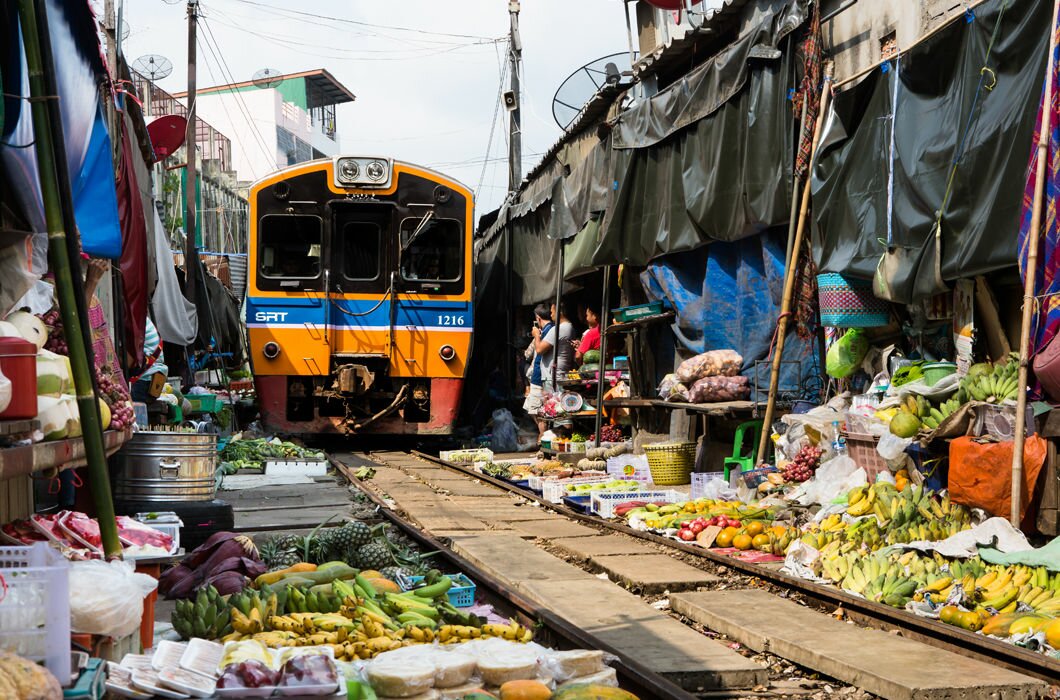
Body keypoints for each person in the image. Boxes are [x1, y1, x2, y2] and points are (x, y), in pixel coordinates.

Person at [523, 304, 552, 438]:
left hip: (540, 377)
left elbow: (539, 350)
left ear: (538, 318)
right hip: (540, 376)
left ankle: (544, 436)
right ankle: (544, 436)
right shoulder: (549, 331)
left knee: (536, 410)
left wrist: (536, 336)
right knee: (534, 408)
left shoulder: (546, 332)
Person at [538, 302, 574, 391]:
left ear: (559, 312)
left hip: (553, 377)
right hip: (559, 374)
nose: (551, 315)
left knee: (553, 402)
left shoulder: (559, 329)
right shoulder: (570, 327)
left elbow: (539, 349)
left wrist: (536, 335)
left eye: (552, 312)